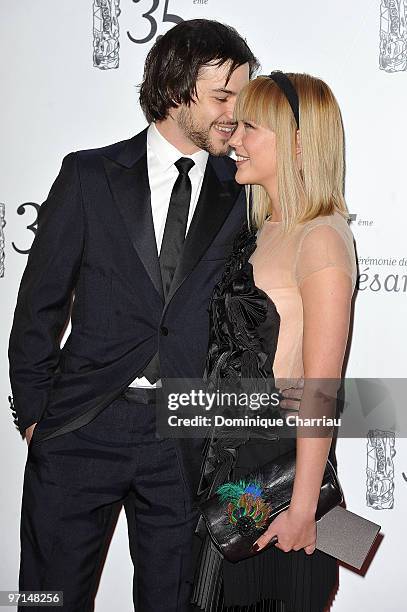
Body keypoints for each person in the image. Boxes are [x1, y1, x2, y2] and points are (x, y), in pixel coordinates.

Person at [8, 19, 259, 612]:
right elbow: (38, 304)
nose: (234, 114)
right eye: (222, 96)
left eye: (241, 99)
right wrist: (36, 416)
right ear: (176, 89)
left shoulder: (247, 190)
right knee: (47, 599)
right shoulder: (88, 176)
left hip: (187, 434)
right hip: (81, 425)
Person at [191, 72, 357, 611]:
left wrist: (305, 506)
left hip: (279, 474)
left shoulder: (323, 236)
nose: (233, 139)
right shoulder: (262, 228)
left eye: (249, 127)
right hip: (233, 466)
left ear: (300, 141)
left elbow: (321, 389)